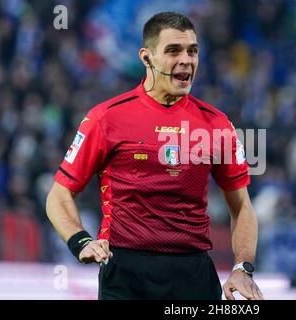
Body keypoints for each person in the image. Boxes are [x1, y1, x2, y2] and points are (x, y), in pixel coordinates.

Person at [46, 11, 263, 300]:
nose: (186, 59)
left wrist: (242, 267)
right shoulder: (106, 119)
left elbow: (242, 207)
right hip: (125, 273)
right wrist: (80, 241)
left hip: (193, 274)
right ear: (146, 58)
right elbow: (59, 195)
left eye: (193, 51)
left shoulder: (217, 125)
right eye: (174, 50)